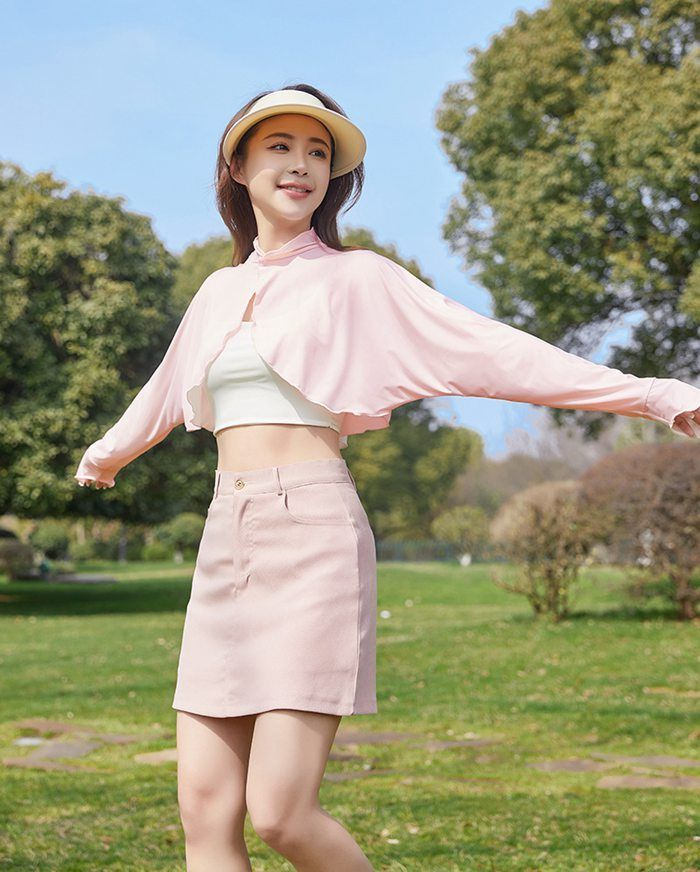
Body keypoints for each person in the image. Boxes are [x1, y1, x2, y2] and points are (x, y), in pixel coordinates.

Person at [75, 83, 700, 871]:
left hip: (312, 535)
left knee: (281, 814)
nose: (302, 165)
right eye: (280, 147)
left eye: (318, 152)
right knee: (204, 809)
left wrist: (653, 396)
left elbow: (495, 351)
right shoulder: (217, 291)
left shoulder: (359, 279)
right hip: (225, 536)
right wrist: (107, 453)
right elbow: (166, 387)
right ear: (236, 166)